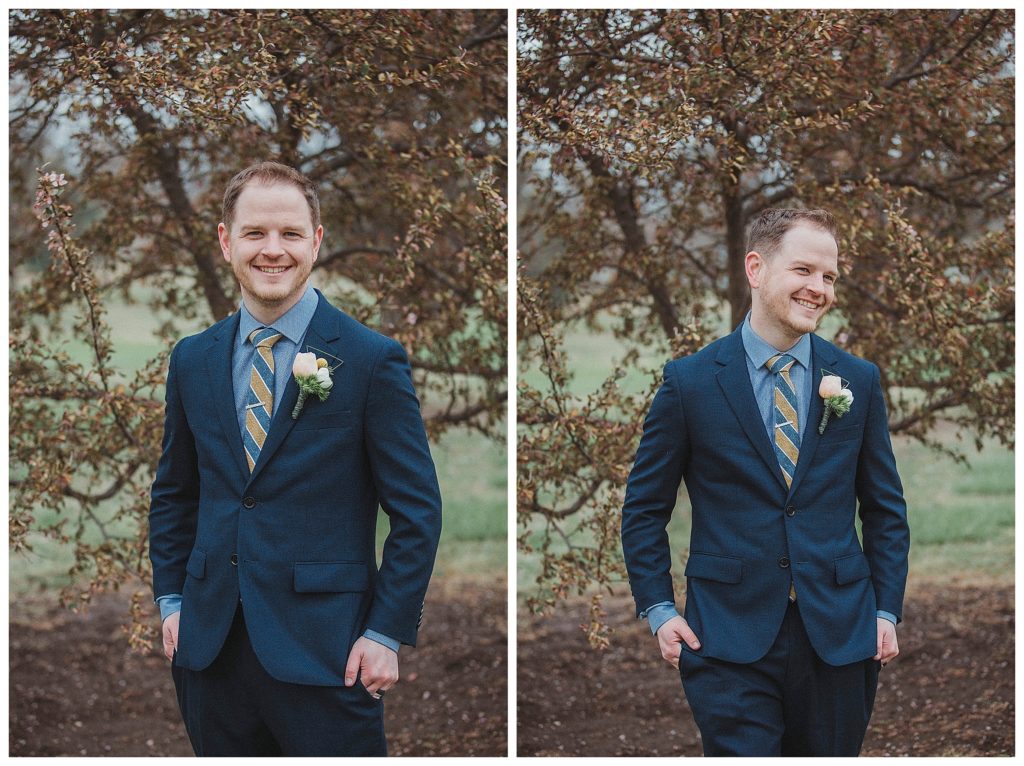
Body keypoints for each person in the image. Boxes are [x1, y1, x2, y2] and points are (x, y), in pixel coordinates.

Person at [149, 161, 442, 756]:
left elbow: (417, 514)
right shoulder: (192, 359)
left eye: (289, 234)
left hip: (327, 653)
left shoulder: (369, 360)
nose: (272, 250)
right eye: (255, 233)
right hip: (209, 652)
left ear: (317, 241)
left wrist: (385, 631)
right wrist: (172, 600)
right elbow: (176, 493)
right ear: (227, 242)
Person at [620, 208, 909, 756]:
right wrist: (658, 610)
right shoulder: (690, 383)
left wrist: (885, 610)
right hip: (726, 638)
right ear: (756, 268)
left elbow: (885, 510)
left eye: (829, 277)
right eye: (804, 270)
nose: (818, 289)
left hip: (841, 635)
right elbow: (642, 510)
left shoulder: (858, 381)